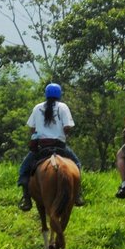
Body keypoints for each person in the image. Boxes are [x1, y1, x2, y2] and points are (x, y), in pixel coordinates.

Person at [17, 83, 84, 211]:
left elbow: (32, 128)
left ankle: (26, 198)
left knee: (24, 168)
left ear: (46, 94)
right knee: (77, 164)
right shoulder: (63, 107)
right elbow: (67, 127)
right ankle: (78, 194)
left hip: (42, 147)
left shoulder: (37, 108)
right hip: (60, 146)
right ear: (59, 94)